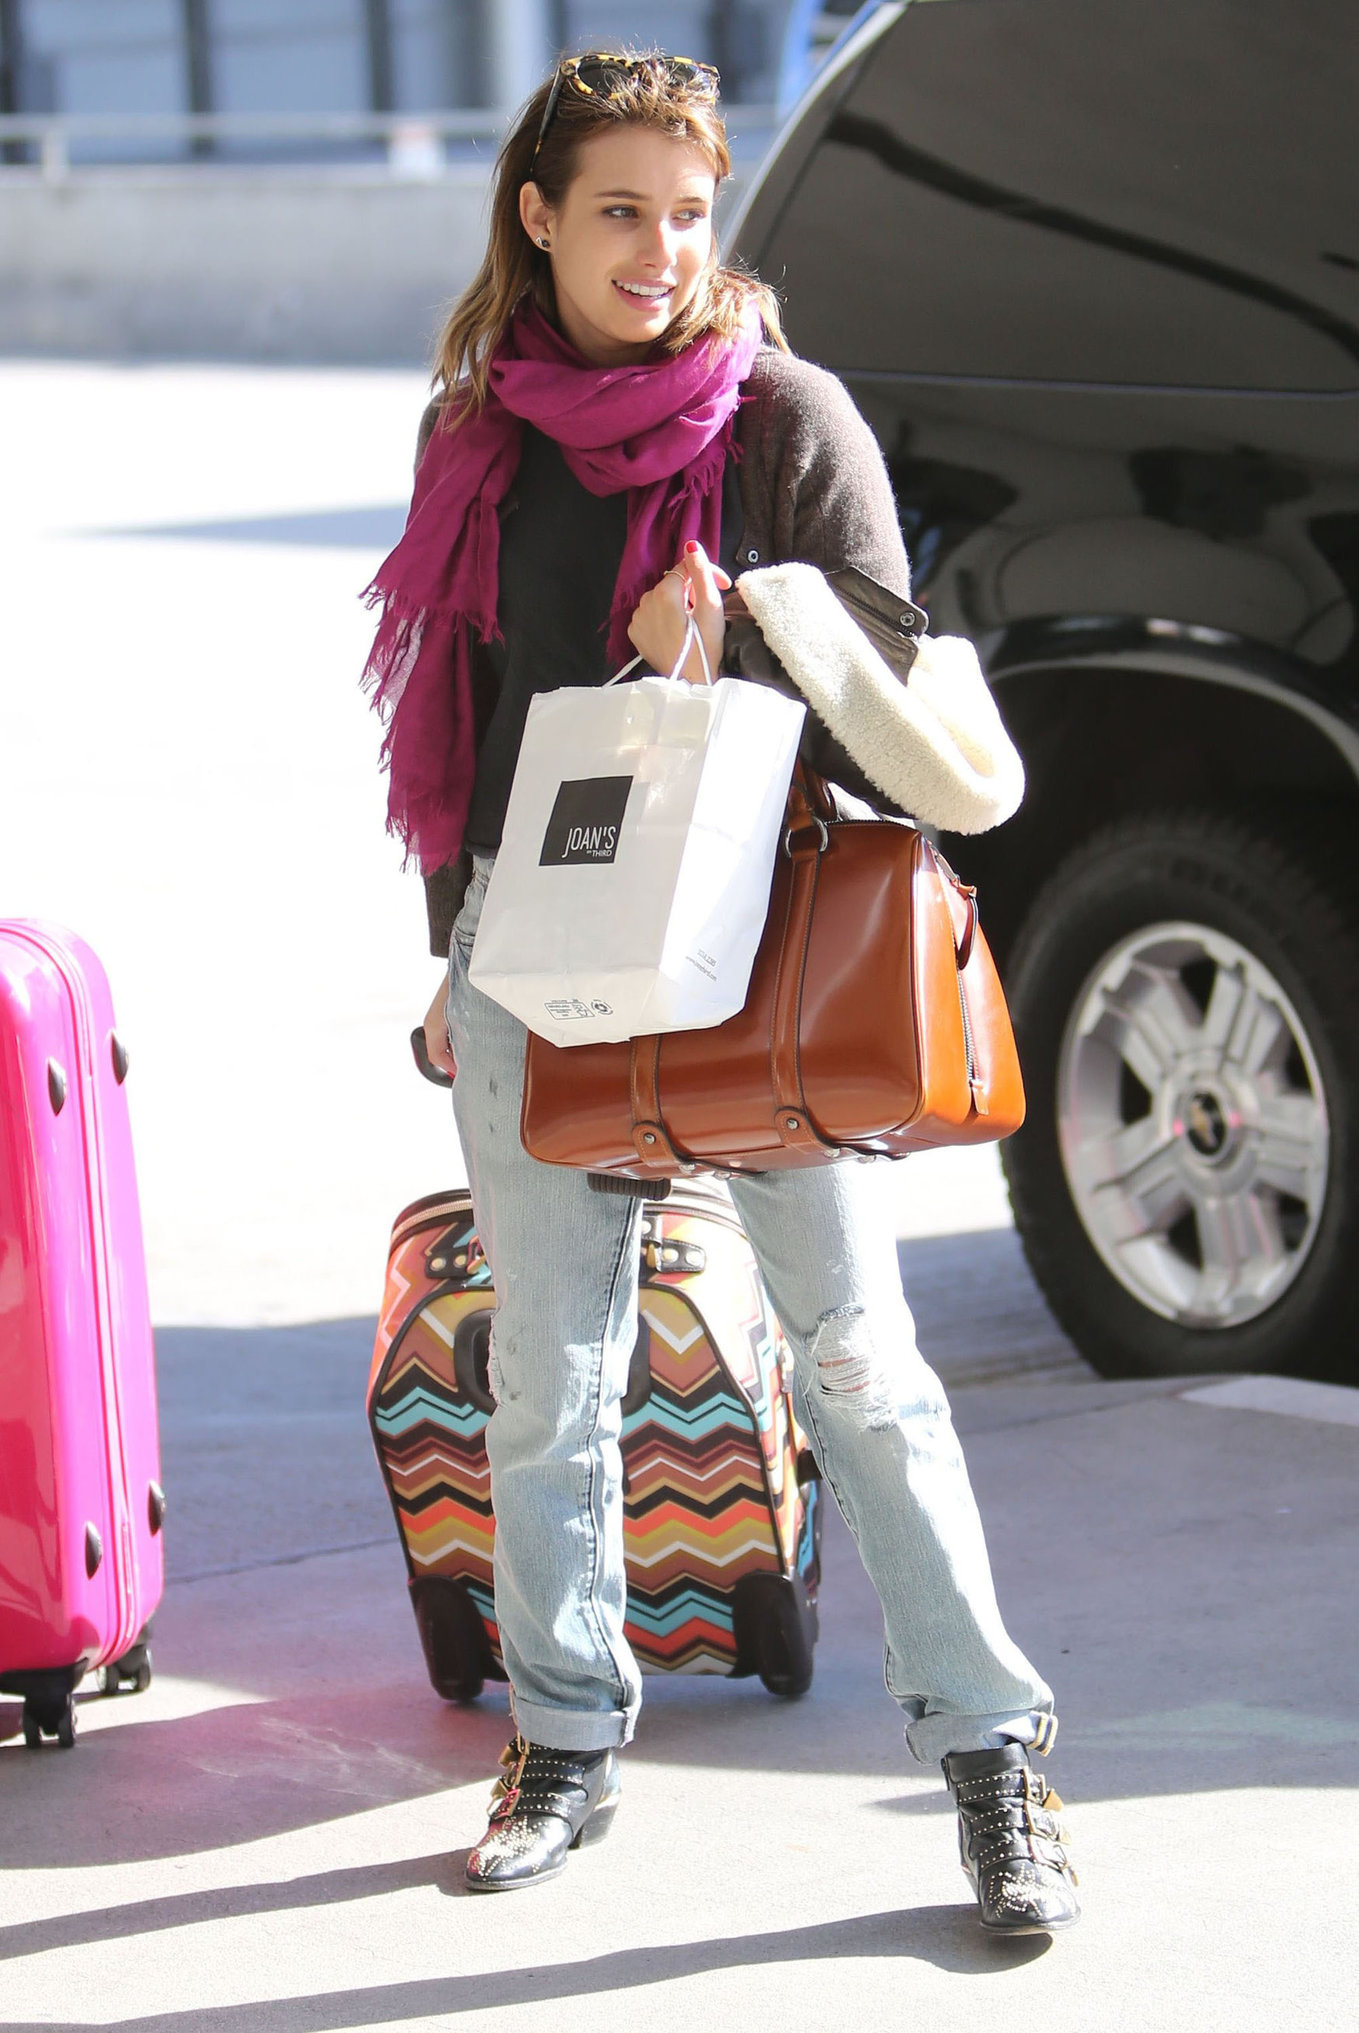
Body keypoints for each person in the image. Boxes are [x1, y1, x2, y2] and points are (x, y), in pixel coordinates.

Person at [362, 49, 1079, 1935]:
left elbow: (902, 693)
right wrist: (455, 954)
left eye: (689, 213)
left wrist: (747, 618)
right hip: (536, 941)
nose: (660, 250)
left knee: (858, 1366)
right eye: (618, 211)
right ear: (536, 213)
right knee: (549, 1375)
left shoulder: (783, 416)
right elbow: (473, 721)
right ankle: (568, 1734)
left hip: (758, 946)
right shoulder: (481, 436)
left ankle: (995, 1758)